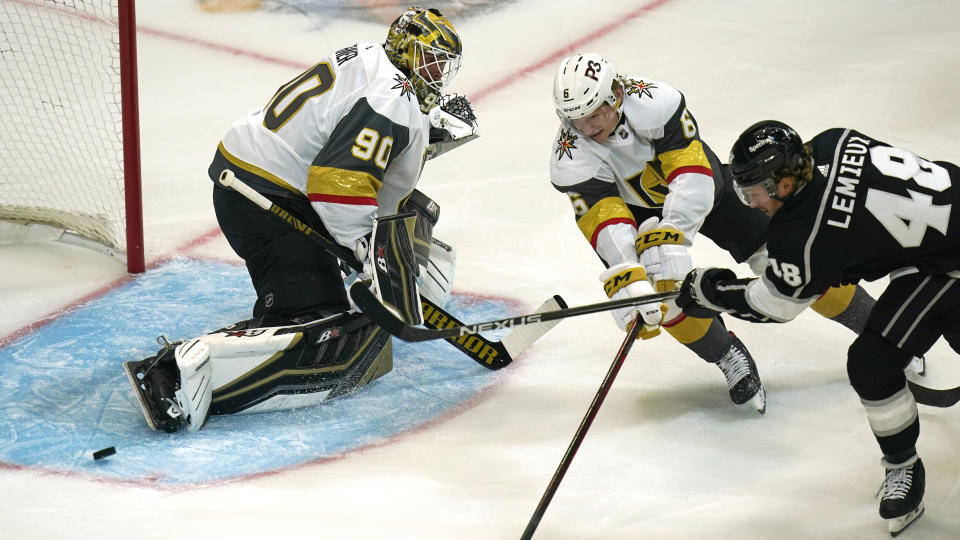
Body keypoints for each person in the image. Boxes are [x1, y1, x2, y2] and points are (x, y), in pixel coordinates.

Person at [123, 7, 477, 433]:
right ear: (407, 50)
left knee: (406, 212)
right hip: (260, 199)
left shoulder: (373, 58)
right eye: (430, 60)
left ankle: (401, 275)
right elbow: (336, 186)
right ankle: (174, 379)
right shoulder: (392, 98)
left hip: (268, 179)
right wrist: (367, 251)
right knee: (318, 316)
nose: (437, 75)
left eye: (444, 66)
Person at [675, 119, 960, 535]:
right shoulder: (832, 140)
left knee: (873, 362)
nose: (749, 202)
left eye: (753, 192)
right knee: (875, 359)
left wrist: (711, 291)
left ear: (783, 185)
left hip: (946, 266)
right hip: (939, 246)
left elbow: (774, 305)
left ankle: (903, 467)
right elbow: (868, 215)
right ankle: (903, 467)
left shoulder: (806, 234)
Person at [549, 53, 876, 413]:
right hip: (639, 215)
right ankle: (727, 355)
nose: (586, 127)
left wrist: (674, 232)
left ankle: (881, 334)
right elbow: (603, 216)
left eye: (593, 114)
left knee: (792, 261)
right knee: (659, 295)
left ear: (615, 94)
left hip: (706, 189)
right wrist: (628, 274)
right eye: (575, 119)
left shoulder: (655, 103)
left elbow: (690, 173)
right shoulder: (570, 154)